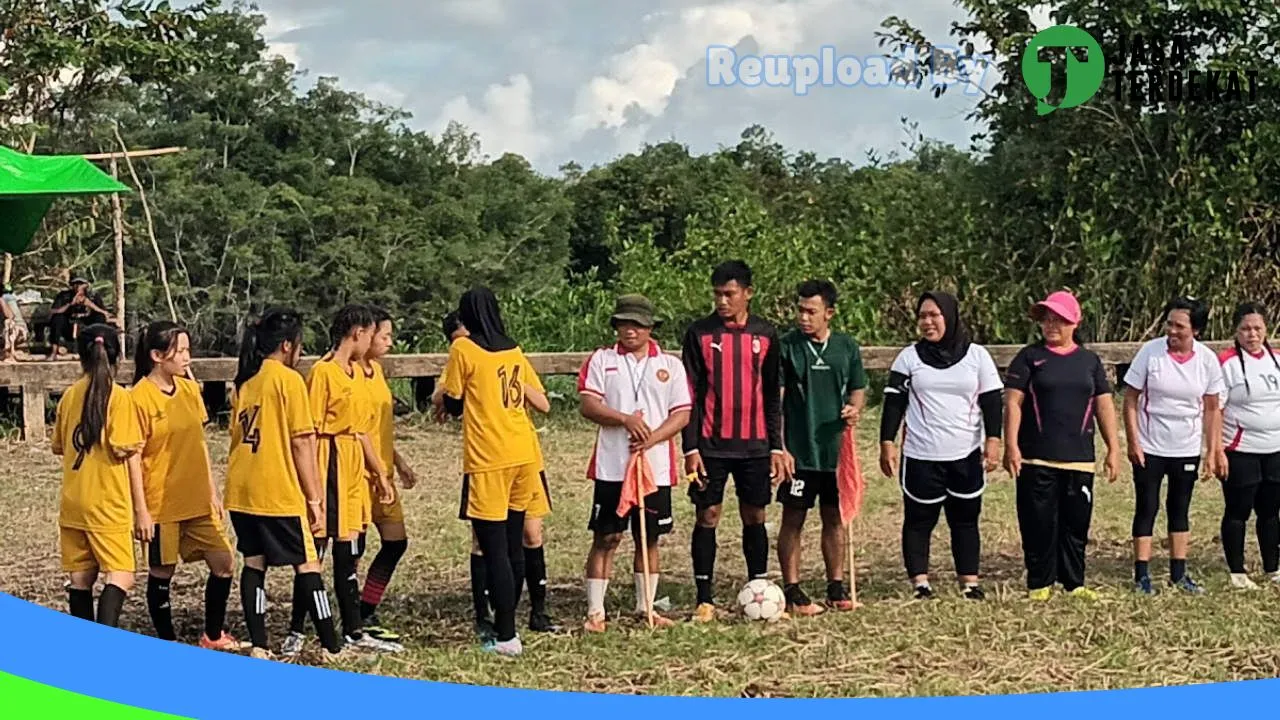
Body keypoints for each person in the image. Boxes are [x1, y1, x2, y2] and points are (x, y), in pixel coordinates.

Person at [225, 307, 342, 661]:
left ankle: (260, 645)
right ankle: (331, 646)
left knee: (254, 563)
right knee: (308, 564)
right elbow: (301, 443)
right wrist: (316, 499)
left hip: (242, 488)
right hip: (277, 490)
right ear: (288, 345)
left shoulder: (246, 380)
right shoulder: (288, 381)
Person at [441, 287, 551, 656]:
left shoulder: (463, 349)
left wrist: (442, 398)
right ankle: (513, 623)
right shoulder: (513, 350)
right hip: (524, 452)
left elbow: (454, 402)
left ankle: (505, 635)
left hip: (489, 456)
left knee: (493, 549)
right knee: (515, 541)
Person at [286, 305, 400, 656]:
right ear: (356, 333)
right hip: (330, 464)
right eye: (370, 333)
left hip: (353, 467)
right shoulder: (323, 373)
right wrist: (314, 489)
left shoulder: (356, 374)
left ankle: (353, 628)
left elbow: (361, 429)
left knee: (348, 551)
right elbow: (311, 430)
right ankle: (297, 629)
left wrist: (380, 472)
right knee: (316, 551)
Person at [578, 294, 691, 632]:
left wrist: (652, 437)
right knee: (607, 537)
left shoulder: (670, 365)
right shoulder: (602, 360)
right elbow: (588, 404)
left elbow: (682, 413)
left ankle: (647, 607)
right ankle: (596, 611)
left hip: (654, 467)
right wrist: (624, 419)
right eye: (624, 323)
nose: (630, 330)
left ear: (650, 327)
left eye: (638, 324)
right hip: (612, 465)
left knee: (649, 538)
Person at [682, 260, 787, 623]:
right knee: (708, 514)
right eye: (717, 294)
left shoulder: (767, 335)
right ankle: (704, 598)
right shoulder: (699, 334)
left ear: (748, 293)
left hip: (755, 445)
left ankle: (757, 585)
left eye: (729, 294)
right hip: (711, 444)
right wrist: (690, 446)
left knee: (754, 514)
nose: (722, 301)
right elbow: (689, 395)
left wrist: (776, 445)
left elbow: (773, 394)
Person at [879, 291, 1002, 600]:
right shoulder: (909, 357)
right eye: (922, 316)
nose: (928, 322)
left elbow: (991, 402)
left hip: (965, 455)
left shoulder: (977, 356)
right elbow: (894, 403)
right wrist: (886, 442)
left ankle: (969, 582)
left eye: (934, 315)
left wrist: (994, 440)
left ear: (949, 316)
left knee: (965, 519)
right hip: (921, 455)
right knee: (919, 520)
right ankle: (920, 583)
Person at [1002, 291, 1121, 601]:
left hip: (1079, 459)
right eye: (1047, 319)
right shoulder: (1029, 357)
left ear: (1074, 322)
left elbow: (1104, 405)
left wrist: (1114, 447)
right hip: (1036, 457)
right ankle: (1039, 583)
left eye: (1059, 319)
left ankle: (1073, 582)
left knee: (1075, 525)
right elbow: (1013, 403)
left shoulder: (1089, 361)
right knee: (1038, 522)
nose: (1051, 325)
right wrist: (1010, 446)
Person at [130, 321, 240, 648]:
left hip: (197, 501)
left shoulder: (190, 390)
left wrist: (212, 490)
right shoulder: (139, 398)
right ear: (157, 356)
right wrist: (141, 511)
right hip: (161, 504)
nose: (187, 357)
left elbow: (200, 444)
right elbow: (133, 457)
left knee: (224, 563)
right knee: (162, 572)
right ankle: (167, 641)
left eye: (188, 350)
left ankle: (213, 634)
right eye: (180, 351)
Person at [775, 280, 866, 615]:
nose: (803, 317)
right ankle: (793, 589)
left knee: (834, 518)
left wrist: (854, 409)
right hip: (800, 450)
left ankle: (836, 586)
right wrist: (780, 446)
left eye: (811, 311)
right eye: (800, 310)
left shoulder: (846, 346)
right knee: (793, 517)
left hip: (835, 452)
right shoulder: (787, 347)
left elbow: (858, 388)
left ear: (829, 313)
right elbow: (776, 399)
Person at [1123, 297, 1223, 595]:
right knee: (1147, 506)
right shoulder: (1150, 353)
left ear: (1196, 330)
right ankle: (1141, 574)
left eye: (1180, 326)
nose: (1172, 331)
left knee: (1179, 508)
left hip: (1186, 446)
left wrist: (1212, 450)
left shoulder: (1206, 360)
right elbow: (1130, 399)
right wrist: (1133, 441)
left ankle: (1179, 573)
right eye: (1169, 323)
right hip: (1151, 445)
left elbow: (1212, 407)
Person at [53, 324, 148, 628]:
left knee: (81, 577)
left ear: (81, 356)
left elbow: (59, 446)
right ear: (117, 355)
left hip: (73, 503)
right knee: (121, 574)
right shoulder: (119, 398)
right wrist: (141, 511)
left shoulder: (69, 396)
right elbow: (129, 455)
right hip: (107, 504)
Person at [356, 307, 420, 640]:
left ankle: (366, 607)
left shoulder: (377, 372)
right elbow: (355, 428)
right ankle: (351, 615)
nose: (390, 342)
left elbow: (377, 428)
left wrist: (399, 462)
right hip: (358, 475)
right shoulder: (344, 373)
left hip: (384, 474)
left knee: (395, 542)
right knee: (353, 547)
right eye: (385, 335)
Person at [1213, 303, 1280, 588]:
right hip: (1240, 450)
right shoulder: (1226, 362)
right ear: (1236, 331)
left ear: (1266, 330)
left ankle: (1272, 568)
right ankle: (1237, 572)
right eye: (1245, 329)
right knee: (1238, 510)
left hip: (1275, 449)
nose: (1252, 334)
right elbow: (1215, 409)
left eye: (1257, 328)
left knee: (1270, 512)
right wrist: (1216, 450)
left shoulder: (1277, 358)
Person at [49, 278, 114, 359]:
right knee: (57, 318)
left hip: (87, 326)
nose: (78, 286)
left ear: (86, 285)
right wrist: (70, 304)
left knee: (100, 317)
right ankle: (54, 351)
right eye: (75, 284)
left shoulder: (93, 296)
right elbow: (54, 311)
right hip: (68, 325)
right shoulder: (64, 295)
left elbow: (103, 312)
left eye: (81, 284)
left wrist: (90, 305)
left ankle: (99, 348)